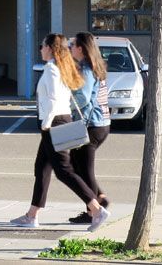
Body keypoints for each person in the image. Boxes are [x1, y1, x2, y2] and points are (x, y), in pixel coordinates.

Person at [11, 33, 110, 232]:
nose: (40, 49)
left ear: (50, 48)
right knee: (42, 167)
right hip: (57, 121)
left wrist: (46, 125)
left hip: (54, 122)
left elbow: (55, 100)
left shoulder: (52, 69)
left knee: (64, 170)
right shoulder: (61, 67)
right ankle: (32, 215)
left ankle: (97, 209)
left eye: (42, 45)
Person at [68, 32, 111, 224]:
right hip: (100, 124)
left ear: (81, 48)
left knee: (83, 170)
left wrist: (65, 104)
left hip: (91, 125)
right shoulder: (94, 66)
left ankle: (94, 210)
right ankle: (100, 199)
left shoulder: (86, 69)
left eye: (72, 45)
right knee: (78, 165)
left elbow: (83, 98)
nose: (70, 48)